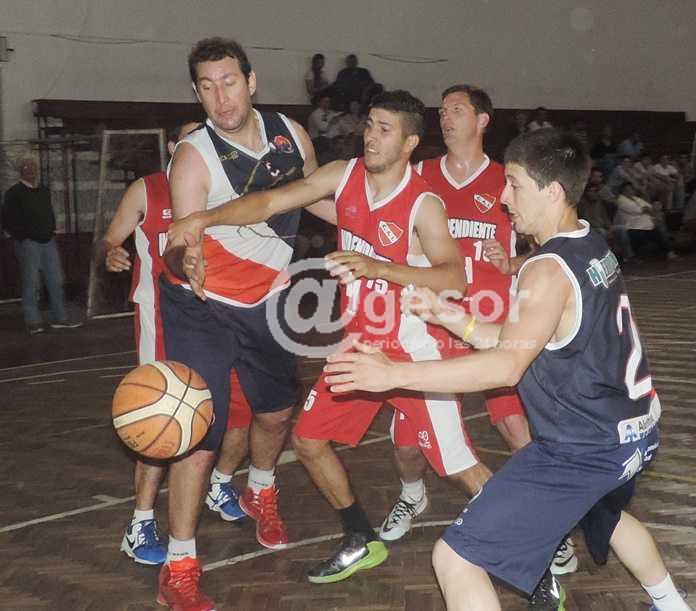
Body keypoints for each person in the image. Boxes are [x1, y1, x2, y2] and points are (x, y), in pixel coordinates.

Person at [323, 129, 693, 611]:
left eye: (514, 185)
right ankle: (672, 605)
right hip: (634, 432)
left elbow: (505, 366)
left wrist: (393, 374)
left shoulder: (545, 269)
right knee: (605, 515)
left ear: (552, 191)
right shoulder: (590, 243)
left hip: (582, 449)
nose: (503, 197)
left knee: (456, 559)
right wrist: (452, 317)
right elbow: (523, 339)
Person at [170, 89, 492, 585]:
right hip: (359, 346)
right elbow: (272, 200)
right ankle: (360, 537)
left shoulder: (423, 203)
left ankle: (536, 550)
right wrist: (206, 217)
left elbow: (455, 278)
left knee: (459, 466)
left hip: (412, 353)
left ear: (409, 143)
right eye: (369, 124)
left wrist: (380, 267)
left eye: (384, 129)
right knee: (309, 439)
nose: (370, 136)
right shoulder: (343, 174)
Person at [158, 37, 324, 610]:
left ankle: (261, 489)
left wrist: (374, 228)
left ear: (251, 82)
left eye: (229, 82)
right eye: (207, 87)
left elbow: (317, 194)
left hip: (268, 298)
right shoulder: (193, 156)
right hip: (201, 304)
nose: (220, 97)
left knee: (276, 412)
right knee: (200, 432)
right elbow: (180, 239)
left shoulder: (290, 135)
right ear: (197, 92)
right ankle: (180, 564)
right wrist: (186, 260)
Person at [95, 123, 252, 566]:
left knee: (236, 412)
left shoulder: (228, 189)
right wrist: (109, 253)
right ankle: (140, 523)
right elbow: (107, 239)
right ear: (172, 147)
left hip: (219, 319)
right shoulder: (146, 190)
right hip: (162, 320)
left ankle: (220, 483)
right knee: (162, 417)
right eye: (189, 140)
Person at [382, 84, 533, 544]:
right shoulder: (419, 174)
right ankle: (412, 494)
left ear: (482, 120)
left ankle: (544, 516)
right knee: (407, 440)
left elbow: (550, 248)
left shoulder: (508, 180)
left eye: (457, 110)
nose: (446, 118)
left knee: (515, 428)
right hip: (433, 324)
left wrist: (513, 263)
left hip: (492, 325)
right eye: (443, 111)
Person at [1, 156, 82, 334]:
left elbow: (49, 213)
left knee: (56, 280)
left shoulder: (43, 191)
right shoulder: (14, 193)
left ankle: (59, 318)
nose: (31, 169)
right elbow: (7, 219)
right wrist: (23, 237)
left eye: (33, 166)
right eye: (26, 167)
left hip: (48, 241)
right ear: (21, 171)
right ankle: (33, 321)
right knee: (32, 282)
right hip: (29, 243)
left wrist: (51, 229)